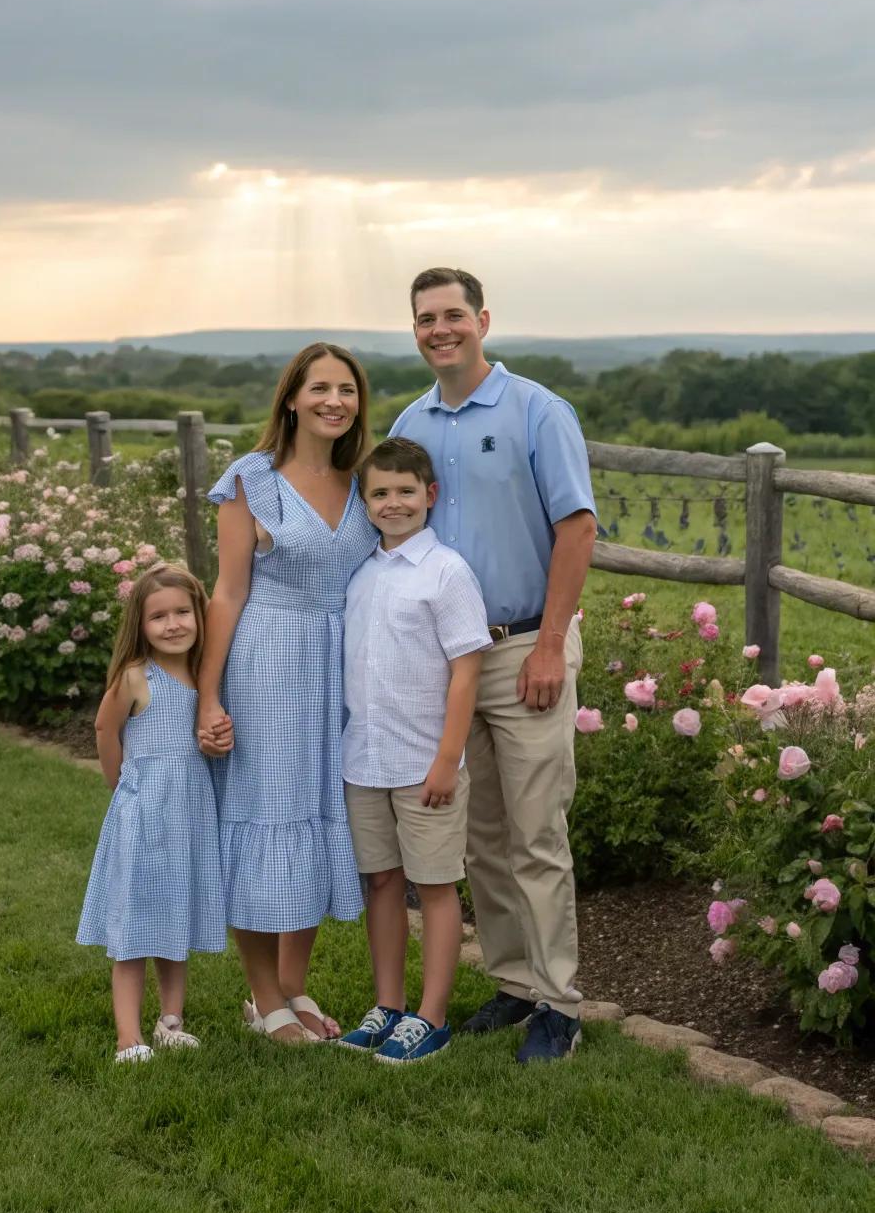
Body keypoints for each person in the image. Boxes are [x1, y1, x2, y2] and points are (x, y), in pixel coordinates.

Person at [389, 268, 598, 1064]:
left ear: (483, 320)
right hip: (451, 659)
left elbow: (576, 530)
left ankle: (561, 1004)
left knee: (537, 831)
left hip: (522, 647)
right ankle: (514, 983)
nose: (439, 329)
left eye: (452, 316)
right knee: (481, 836)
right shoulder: (412, 422)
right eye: (424, 319)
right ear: (414, 331)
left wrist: (550, 642)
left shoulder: (537, 411)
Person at [197, 343, 377, 1044]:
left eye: (348, 390)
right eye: (321, 388)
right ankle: (262, 995)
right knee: (264, 815)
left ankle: (295, 985)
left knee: (316, 811)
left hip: (340, 667)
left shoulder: (362, 482)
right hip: (268, 663)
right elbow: (229, 590)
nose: (336, 401)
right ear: (292, 399)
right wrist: (209, 697)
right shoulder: (252, 479)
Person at [338, 438, 491, 1065]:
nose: (393, 503)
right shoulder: (363, 571)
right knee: (380, 882)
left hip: (425, 760)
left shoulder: (446, 572)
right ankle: (387, 1005)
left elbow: (466, 671)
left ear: (430, 495)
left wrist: (446, 758)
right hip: (364, 759)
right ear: (365, 501)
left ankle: (431, 1017)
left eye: (405, 491)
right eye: (380, 493)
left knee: (434, 886)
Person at [77, 561, 227, 1064]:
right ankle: (128, 1036)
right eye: (158, 616)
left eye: (183, 612)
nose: (173, 624)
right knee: (134, 922)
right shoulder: (136, 677)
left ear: (200, 614)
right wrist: (120, 783)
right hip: (144, 815)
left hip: (188, 815)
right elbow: (104, 728)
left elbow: (205, 738)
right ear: (140, 626)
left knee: (175, 914)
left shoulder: (206, 676)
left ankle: (170, 1021)